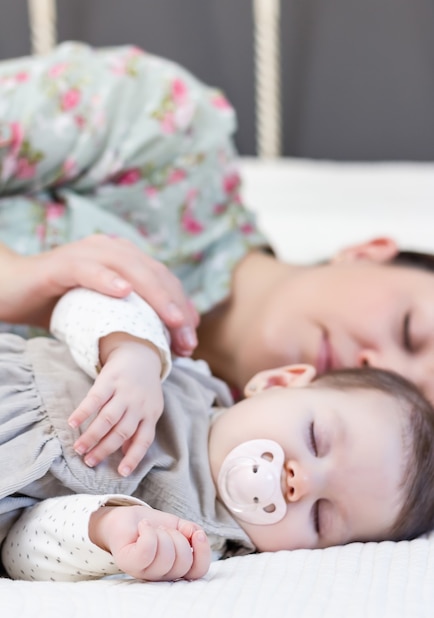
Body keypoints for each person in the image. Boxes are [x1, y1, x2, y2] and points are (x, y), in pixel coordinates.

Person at [2, 43, 434, 416]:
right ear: (367, 251)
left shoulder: (209, 475)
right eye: (408, 331)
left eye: (413, 401)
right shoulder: (171, 134)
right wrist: (16, 279)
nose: (378, 369)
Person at [1, 287, 434, 583]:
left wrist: (107, 529)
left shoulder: (191, 541)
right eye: (316, 438)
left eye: (322, 516)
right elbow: (83, 299)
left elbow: (19, 549)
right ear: (278, 382)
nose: (302, 482)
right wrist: (131, 353)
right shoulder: (173, 367)